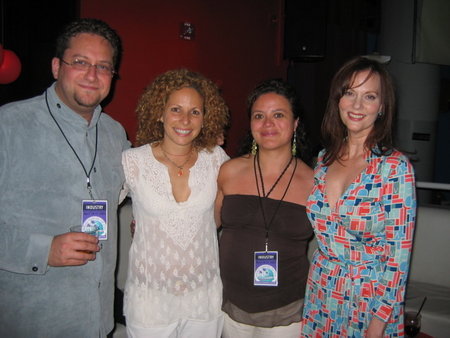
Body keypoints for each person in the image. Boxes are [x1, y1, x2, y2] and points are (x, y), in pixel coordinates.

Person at [0, 18, 129, 337]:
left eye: (103, 66)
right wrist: (42, 250)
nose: (92, 75)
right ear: (57, 66)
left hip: (98, 322)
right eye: (80, 62)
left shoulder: (115, 134)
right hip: (32, 323)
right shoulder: (8, 126)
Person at [301, 56, 416, 337]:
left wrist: (379, 322)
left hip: (369, 298)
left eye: (369, 96)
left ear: (382, 107)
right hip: (322, 291)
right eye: (350, 93)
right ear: (338, 99)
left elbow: (398, 259)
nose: (356, 105)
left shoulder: (395, 168)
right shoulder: (323, 160)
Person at [120, 68, 230, 337]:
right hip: (150, 301)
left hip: (203, 298)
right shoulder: (132, 161)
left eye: (195, 111)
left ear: (205, 118)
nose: (185, 119)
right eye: (176, 109)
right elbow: (96, 203)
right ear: (160, 112)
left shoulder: (216, 159)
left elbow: (225, 214)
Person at [215, 79, 315, 337]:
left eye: (278, 115)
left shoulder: (315, 182)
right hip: (230, 305)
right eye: (259, 116)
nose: (267, 123)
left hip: (288, 310)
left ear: (295, 124)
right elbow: (205, 226)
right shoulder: (229, 170)